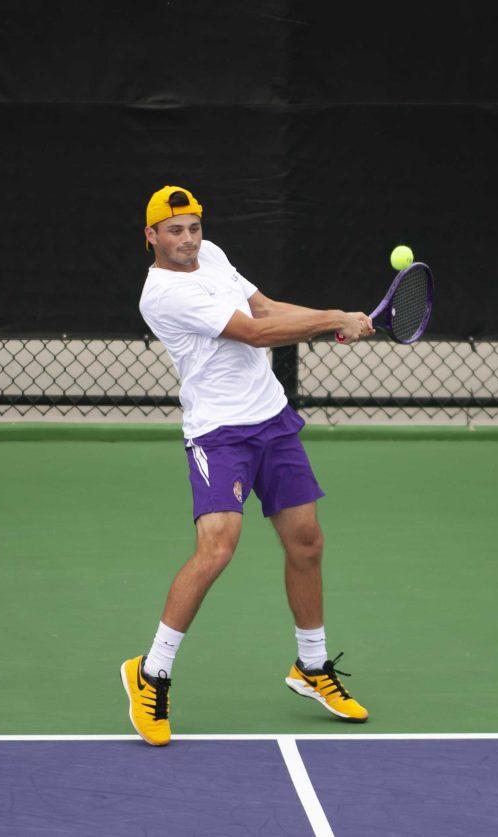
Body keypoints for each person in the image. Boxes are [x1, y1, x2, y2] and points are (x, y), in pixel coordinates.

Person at [120, 185, 375, 746]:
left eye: (193, 227)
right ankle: (152, 671)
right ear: (151, 236)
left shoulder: (210, 256)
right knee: (217, 547)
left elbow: (264, 308)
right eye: (174, 231)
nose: (187, 240)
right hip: (219, 433)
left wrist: (331, 320)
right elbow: (255, 333)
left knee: (306, 542)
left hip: (272, 418)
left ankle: (310, 667)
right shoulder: (162, 293)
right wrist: (332, 318)